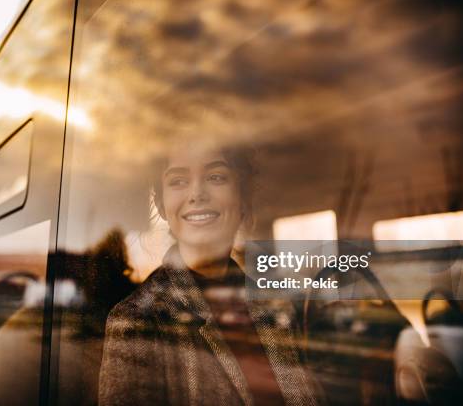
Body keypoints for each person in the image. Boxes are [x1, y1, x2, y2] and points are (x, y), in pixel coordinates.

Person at [98, 145, 322, 406]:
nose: (197, 194)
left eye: (216, 177)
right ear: (161, 205)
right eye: (178, 181)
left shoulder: (277, 304)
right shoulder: (138, 321)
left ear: (242, 198)